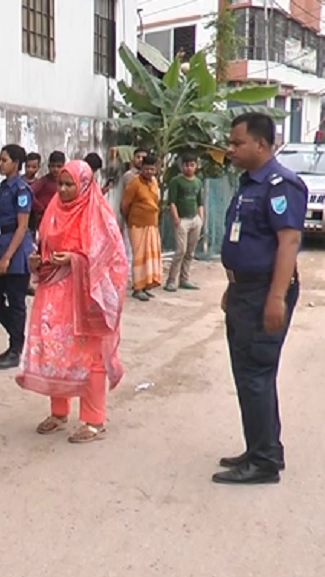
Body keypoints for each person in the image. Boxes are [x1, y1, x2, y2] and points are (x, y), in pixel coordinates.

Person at [213, 113, 306, 485]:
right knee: (249, 372)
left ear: (262, 145)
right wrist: (231, 286)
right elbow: (245, 242)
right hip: (243, 290)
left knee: (255, 372)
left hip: (263, 290)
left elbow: (289, 242)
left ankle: (263, 461)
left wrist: (276, 298)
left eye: (238, 143)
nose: (231, 148)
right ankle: (262, 447)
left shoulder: (280, 185)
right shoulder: (249, 184)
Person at [18, 160, 128, 444]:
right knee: (56, 350)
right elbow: (46, 246)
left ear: (85, 185)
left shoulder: (98, 214)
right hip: (53, 292)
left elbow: (114, 259)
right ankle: (58, 412)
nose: (64, 190)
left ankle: (94, 420)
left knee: (90, 357)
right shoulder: (53, 208)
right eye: (61, 184)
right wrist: (38, 261)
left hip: (85, 297)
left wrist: (75, 259)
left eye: (70, 185)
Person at [0, 144, 34, 370]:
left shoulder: (21, 189)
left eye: (3, 160)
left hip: (15, 250)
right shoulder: (3, 187)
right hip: (0, 243)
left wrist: (7, 257)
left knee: (16, 302)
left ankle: (16, 348)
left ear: (15, 163)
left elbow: (22, 226)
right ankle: (18, 338)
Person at [121, 154, 163, 300]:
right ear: (142, 168)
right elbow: (125, 205)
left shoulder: (155, 182)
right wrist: (128, 220)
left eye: (152, 169)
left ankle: (146, 285)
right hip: (137, 224)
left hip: (152, 224)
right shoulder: (134, 183)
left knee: (150, 256)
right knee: (139, 255)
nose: (149, 172)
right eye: (146, 169)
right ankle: (137, 288)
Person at [165, 154, 206, 292]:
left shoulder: (198, 182)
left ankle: (184, 279)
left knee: (190, 252)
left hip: (195, 219)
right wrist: (176, 219)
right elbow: (172, 202)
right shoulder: (176, 181)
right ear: (182, 166)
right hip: (182, 220)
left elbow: (200, 202)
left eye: (192, 165)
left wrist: (201, 218)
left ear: (196, 166)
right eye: (186, 165)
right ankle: (171, 280)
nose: (189, 168)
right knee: (180, 251)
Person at [29, 151, 66, 237]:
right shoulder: (44, 181)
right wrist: (40, 208)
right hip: (45, 220)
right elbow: (29, 193)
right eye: (53, 166)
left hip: (60, 219)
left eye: (59, 166)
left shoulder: (65, 181)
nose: (55, 169)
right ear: (49, 166)